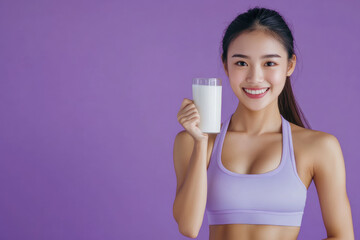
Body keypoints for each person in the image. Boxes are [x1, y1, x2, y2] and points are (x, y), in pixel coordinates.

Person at [172, 6, 355, 240]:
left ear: (289, 65)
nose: (255, 78)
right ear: (225, 66)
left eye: (269, 63)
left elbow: (342, 236)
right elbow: (188, 227)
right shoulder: (192, 142)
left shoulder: (319, 147)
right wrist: (199, 142)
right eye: (241, 63)